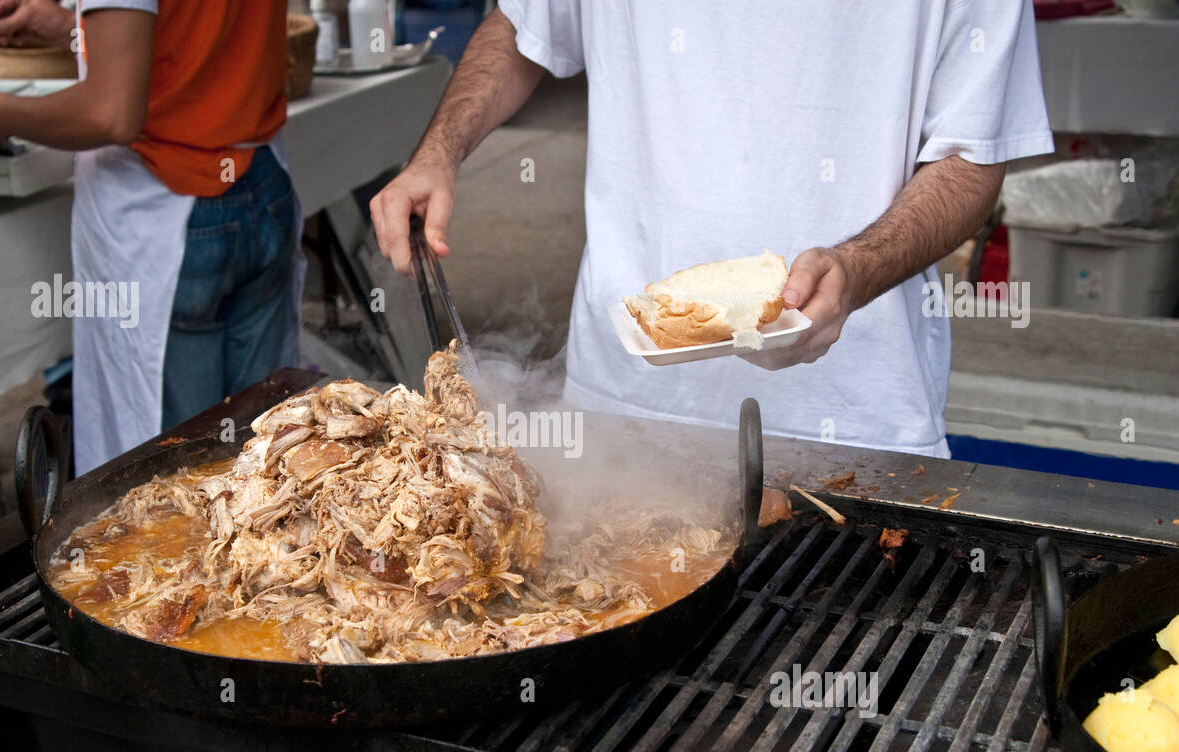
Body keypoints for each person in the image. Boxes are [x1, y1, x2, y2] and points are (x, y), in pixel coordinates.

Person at [370, 1, 1054, 457]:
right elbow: (524, 24)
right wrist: (440, 149)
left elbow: (971, 158)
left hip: (856, 425)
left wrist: (859, 267)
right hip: (621, 415)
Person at [0, 0, 303, 473]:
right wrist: (74, 30)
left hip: (167, 212)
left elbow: (112, 112)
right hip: (259, 181)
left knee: (178, 477)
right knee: (268, 450)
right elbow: (197, 36)